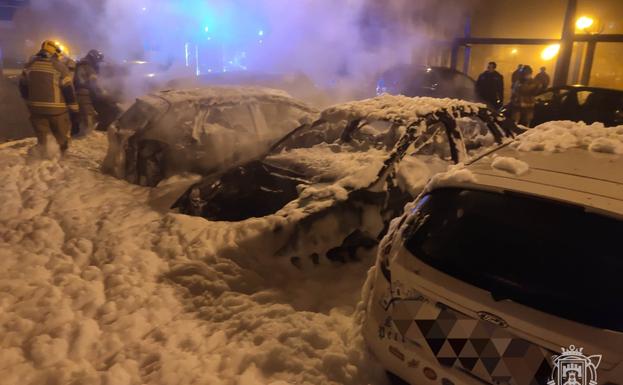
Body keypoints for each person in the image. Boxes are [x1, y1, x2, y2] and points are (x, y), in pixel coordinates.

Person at [18, 40, 79, 154]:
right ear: (55, 53)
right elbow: (69, 91)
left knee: (44, 142)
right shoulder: (59, 67)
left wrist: (29, 102)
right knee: (61, 140)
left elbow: (22, 86)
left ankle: (42, 161)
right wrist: (74, 112)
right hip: (58, 111)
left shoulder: (29, 65)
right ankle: (60, 159)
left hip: (36, 111)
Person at [74, 49, 107, 135]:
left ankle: (81, 132)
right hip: (83, 92)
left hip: (80, 91)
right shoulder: (87, 66)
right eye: (98, 61)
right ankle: (86, 134)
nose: (98, 63)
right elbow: (94, 82)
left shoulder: (82, 64)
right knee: (88, 115)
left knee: (83, 114)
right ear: (94, 58)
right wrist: (102, 92)